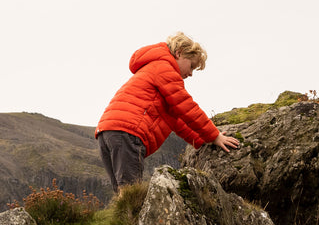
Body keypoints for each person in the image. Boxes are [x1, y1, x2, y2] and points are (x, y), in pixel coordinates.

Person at [95, 32, 240, 189]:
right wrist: (214, 135)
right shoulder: (165, 69)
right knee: (130, 192)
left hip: (108, 132)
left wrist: (201, 141)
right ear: (179, 53)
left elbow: (176, 120)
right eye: (191, 66)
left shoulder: (154, 68)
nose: (191, 73)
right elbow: (187, 107)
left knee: (123, 192)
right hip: (128, 133)